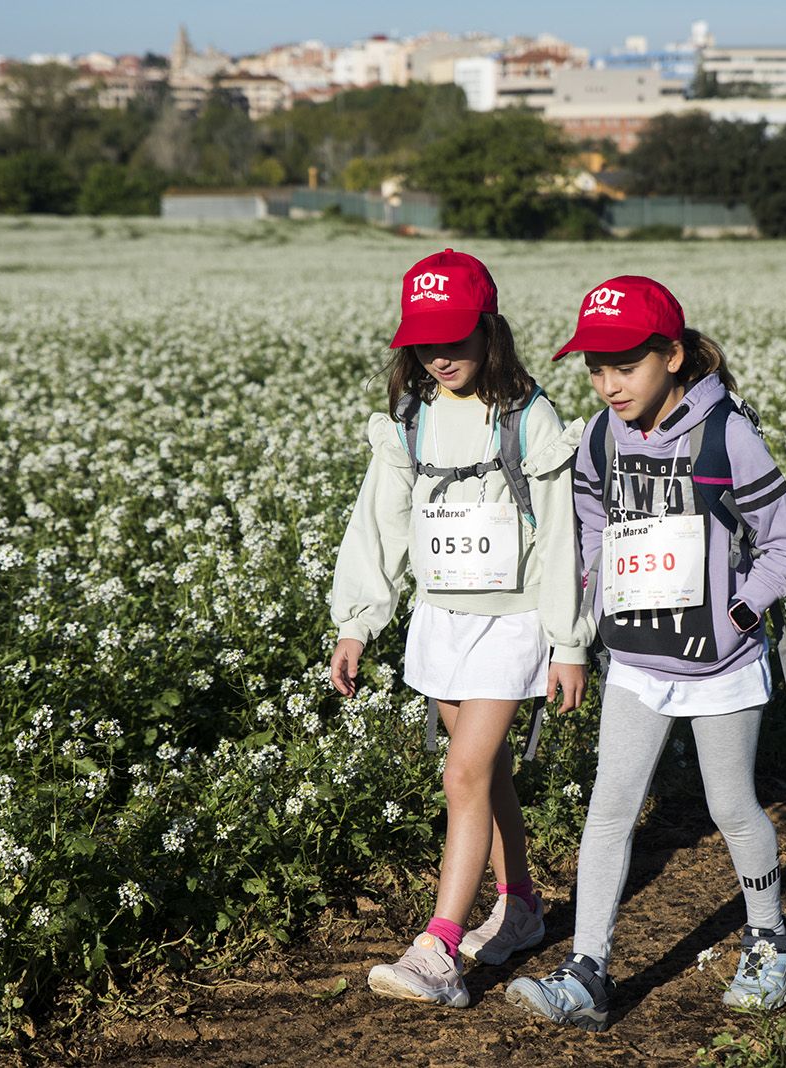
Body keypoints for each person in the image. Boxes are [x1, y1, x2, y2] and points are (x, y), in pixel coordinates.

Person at [505, 276, 786, 1030]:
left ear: (672, 357)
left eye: (625, 366)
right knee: (609, 811)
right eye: (595, 369)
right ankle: (587, 971)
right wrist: (592, 605)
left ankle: (772, 939)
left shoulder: (727, 434)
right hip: (639, 661)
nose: (608, 384)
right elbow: (586, 519)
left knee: (732, 807)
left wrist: (738, 612)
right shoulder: (601, 435)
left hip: (722, 665)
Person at [329, 249, 591, 1009]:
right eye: (424, 338)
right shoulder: (409, 417)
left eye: (456, 336)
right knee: (489, 773)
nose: (440, 354)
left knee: (464, 775)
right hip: (441, 621)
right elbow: (377, 522)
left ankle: (439, 951)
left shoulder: (528, 417)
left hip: (513, 624)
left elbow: (561, 540)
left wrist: (568, 641)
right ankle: (523, 907)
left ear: (490, 330)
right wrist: (357, 623)